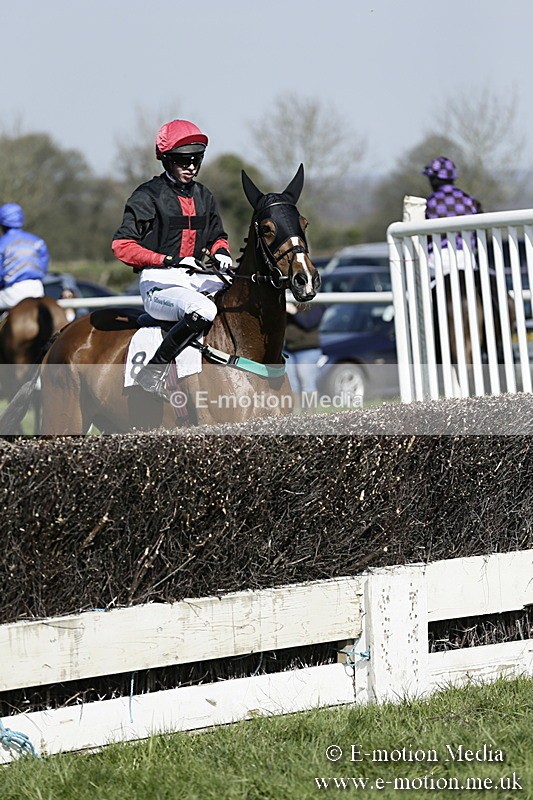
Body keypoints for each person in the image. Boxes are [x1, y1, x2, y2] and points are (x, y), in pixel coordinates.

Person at [112, 119, 233, 399]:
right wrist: (167, 260)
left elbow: (218, 236)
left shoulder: (204, 195)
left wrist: (222, 252)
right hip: (159, 284)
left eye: (196, 159)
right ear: (166, 160)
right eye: (183, 160)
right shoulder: (147, 196)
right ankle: (153, 371)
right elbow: (122, 246)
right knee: (203, 311)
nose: (191, 166)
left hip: (199, 280)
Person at [422, 156, 482, 274]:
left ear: (433, 179)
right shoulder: (470, 201)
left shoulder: (428, 203)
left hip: (439, 259)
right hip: (466, 257)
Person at [0, 203, 49, 312]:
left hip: (12, 293)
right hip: (37, 290)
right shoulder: (38, 241)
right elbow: (44, 268)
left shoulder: (1, 243)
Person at [284, 301, 324, 399]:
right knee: (292, 385)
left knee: (307, 383)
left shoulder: (316, 304)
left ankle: (310, 414)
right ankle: (295, 413)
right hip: (288, 350)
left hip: (307, 350)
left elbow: (308, 323)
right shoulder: (286, 302)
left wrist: (294, 311)